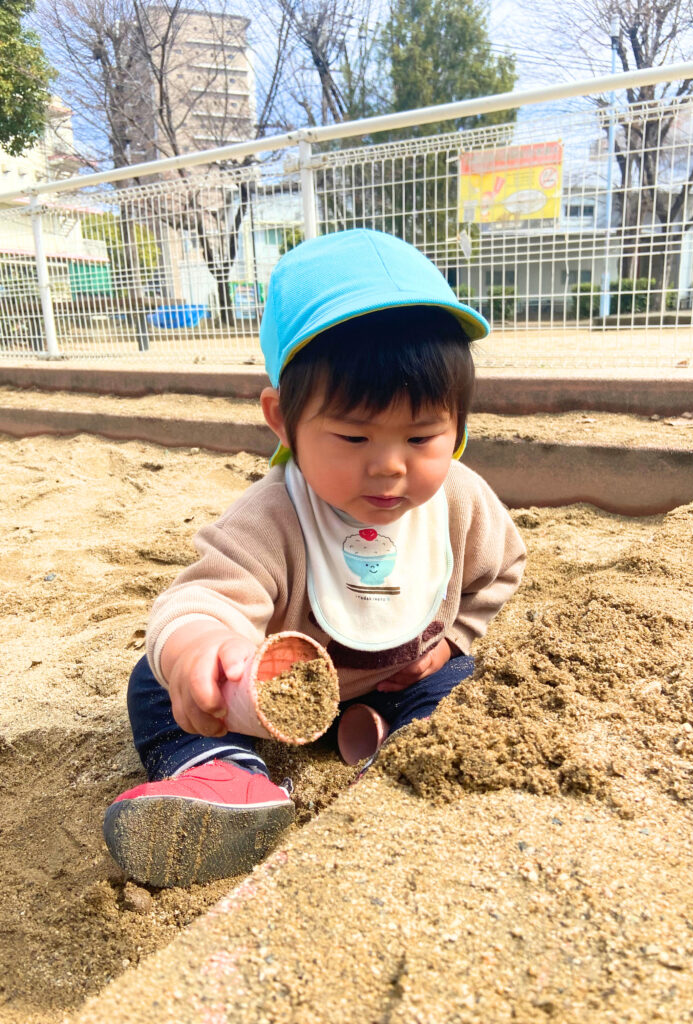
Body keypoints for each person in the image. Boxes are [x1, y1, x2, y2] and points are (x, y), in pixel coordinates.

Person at [103, 229, 526, 888]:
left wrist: (456, 638)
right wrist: (201, 651)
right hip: (268, 701)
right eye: (353, 435)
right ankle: (223, 774)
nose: (389, 466)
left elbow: (501, 569)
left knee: (456, 684)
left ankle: (391, 743)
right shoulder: (274, 516)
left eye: (422, 436)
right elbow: (201, 599)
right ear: (282, 420)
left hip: (398, 677)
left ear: (460, 426)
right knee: (156, 685)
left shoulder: (463, 505)